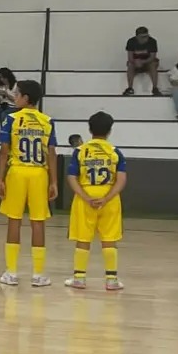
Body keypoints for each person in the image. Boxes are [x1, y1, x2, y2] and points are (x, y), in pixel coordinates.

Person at [0, 80, 57, 287]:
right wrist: (54, 181)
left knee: (14, 220)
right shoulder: (47, 120)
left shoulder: (11, 119)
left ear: (26, 98)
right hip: (39, 173)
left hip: (17, 172)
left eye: (17, 94)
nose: (14, 97)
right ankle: (38, 274)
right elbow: (51, 153)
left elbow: (4, 151)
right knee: (38, 222)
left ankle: (11, 272)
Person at [66, 111, 127, 291]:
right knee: (109, 239)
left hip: (85, 196)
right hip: (109, 198)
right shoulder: (115, 152)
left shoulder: (80, 151)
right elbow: (121, 179)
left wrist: (85, 197)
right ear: (109, 131)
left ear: (89, 129)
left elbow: (71, 177)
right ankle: (111, 280)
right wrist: (107, 198)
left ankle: (79, 278)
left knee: (83, 238)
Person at [124, 26, 159, 96]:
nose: (145, 39)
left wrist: (142, 62)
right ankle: (130, 88)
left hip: (147, 62)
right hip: (135, 63)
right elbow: (130, 57)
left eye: (146, 36)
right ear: (137, 37)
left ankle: (155, 88)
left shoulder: (152, 41)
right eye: (143, 37)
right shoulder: (131, 42)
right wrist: (136, 62)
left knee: (153, 64)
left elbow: (152, 57)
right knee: (130, 65)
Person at [0, 67, 17, 133]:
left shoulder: (16, 85)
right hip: (2, 105)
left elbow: (16, 100)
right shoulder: (0, 86)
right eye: (0, 77)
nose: (2, 79)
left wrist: (6, 94)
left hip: (13, 106)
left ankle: (4, 133)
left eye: (4, 77)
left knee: (3, 114)